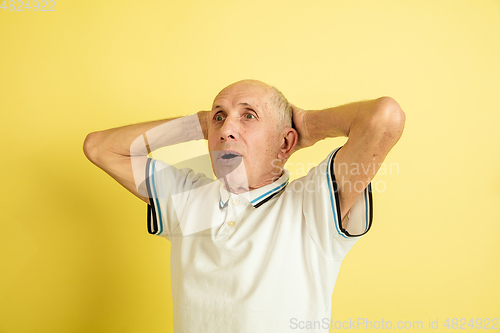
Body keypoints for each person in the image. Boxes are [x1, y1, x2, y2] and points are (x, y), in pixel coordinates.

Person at [83, 79, 405, 332]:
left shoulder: (311, 205)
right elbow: (100, 148)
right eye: (218, 118)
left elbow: (385, 118)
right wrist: (196, 124)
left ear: (284, 144)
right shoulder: (188, 199)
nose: (225, 131)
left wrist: (307, 125)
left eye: (248, 116)